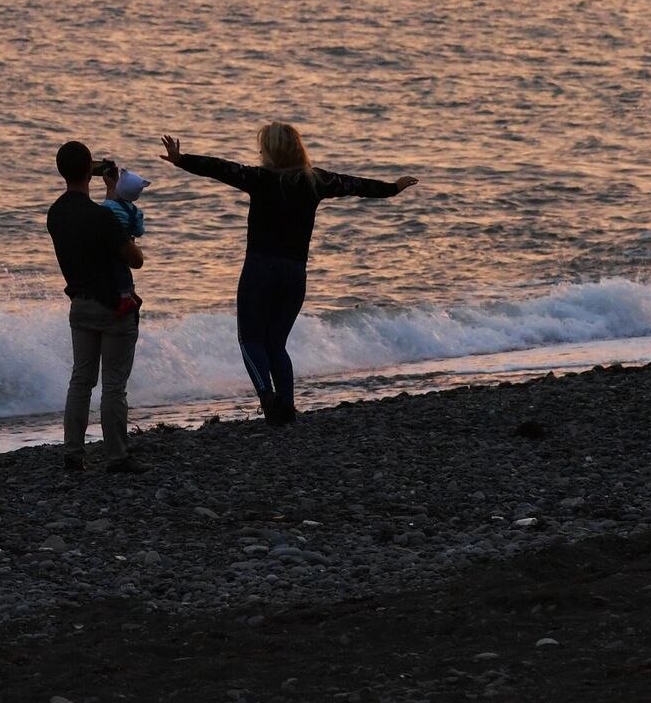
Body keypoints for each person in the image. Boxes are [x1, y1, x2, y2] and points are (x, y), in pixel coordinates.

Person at [158, 124, 416, 427]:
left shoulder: (259, 178)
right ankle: (288, 409)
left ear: (270, 151)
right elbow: (355, 185)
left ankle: (267, 397)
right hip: (295, 273)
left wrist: (182, 159)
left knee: (250, 340)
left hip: (259, 269)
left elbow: (221, 169)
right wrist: (392, 188)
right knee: (276, 344)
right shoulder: (315, 180)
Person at [47, 140, 151, 473]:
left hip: (80, 305)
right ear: (89, 171)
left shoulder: (56, 214)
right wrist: (117, 201)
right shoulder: (103, 218)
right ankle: (117, 456)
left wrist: (109, 200)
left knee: (80, 381)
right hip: (114, 308)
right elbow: (135, 261)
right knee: (113, 386)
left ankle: (73, 453)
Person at [99, 167, 150, 315]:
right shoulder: (136, 212)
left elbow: (103, 217)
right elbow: (139, 232)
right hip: (127, 244)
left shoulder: (108, 206)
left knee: (116, 267)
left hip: (110, 243)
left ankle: (126, 298)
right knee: (123, 268)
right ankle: (130, 294)